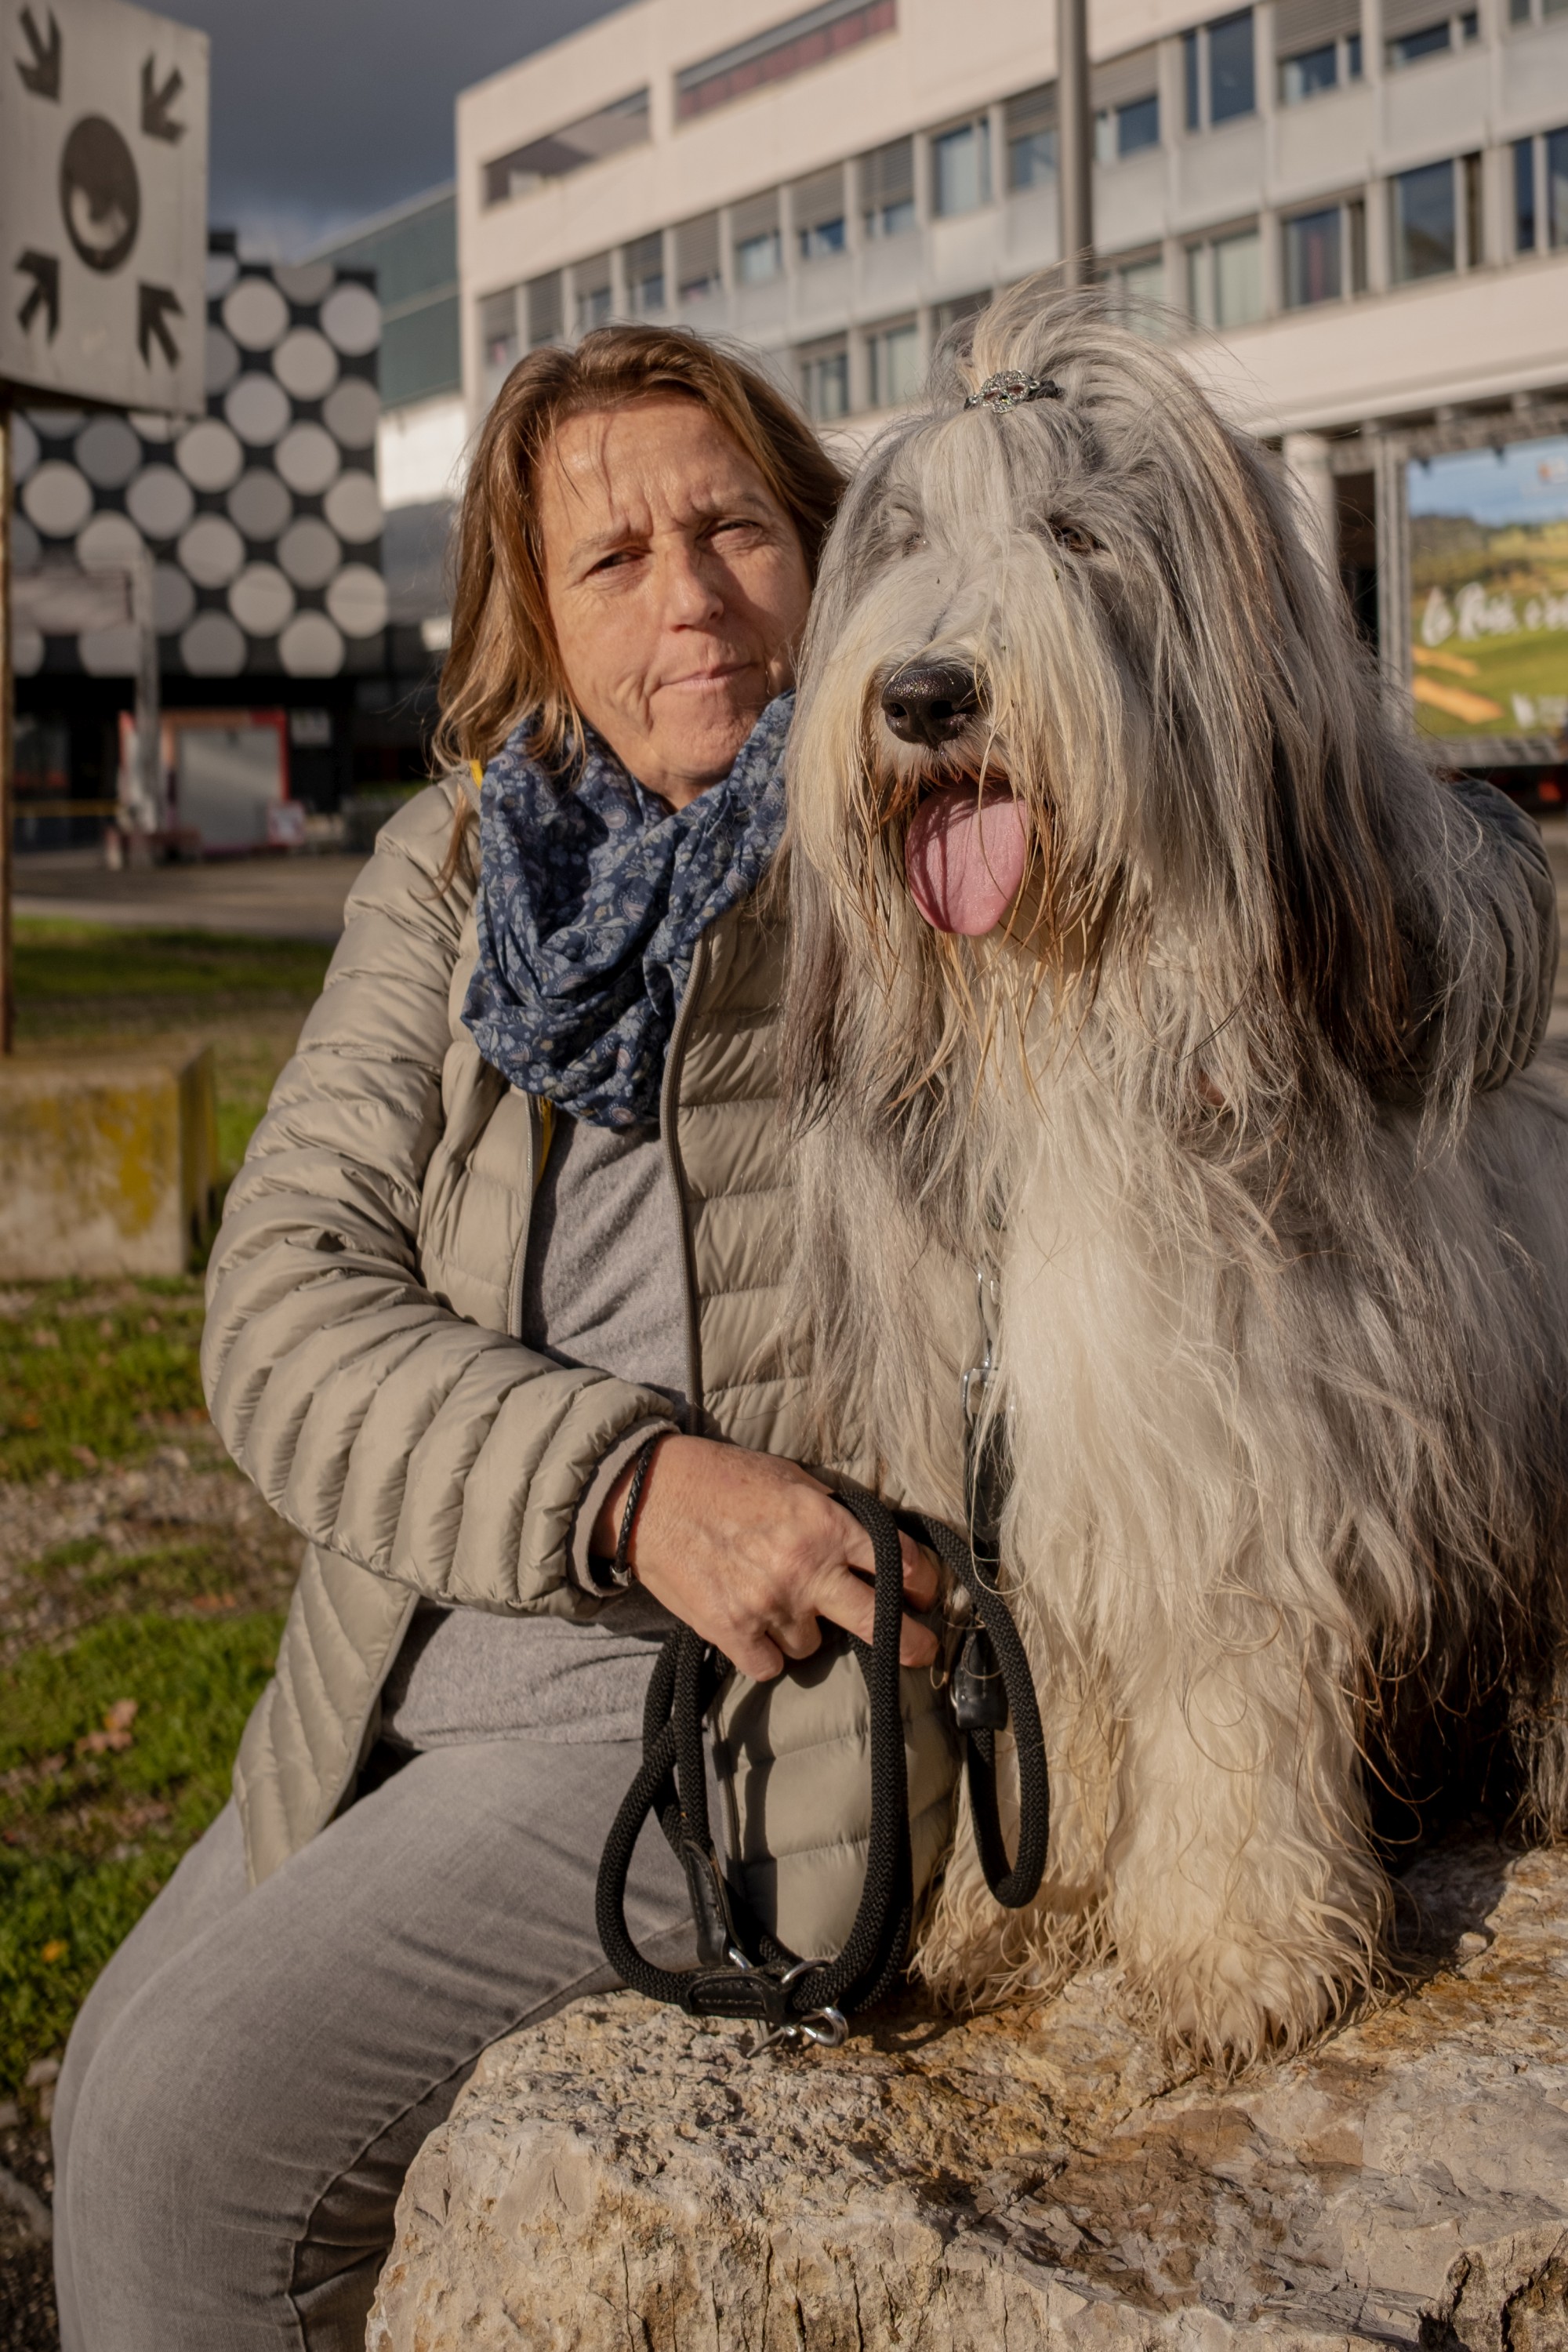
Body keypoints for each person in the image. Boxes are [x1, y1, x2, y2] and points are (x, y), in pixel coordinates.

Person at [49, 321, 1558, 2352]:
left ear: (831, 549)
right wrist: (626, 1486)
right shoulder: (457, 871)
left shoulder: (895, 875)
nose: (687, 599)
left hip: (677, 1704)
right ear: (535, 621)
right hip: (408, 1645)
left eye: (734, 531)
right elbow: (282, 1303)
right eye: (612, 560)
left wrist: (1312, 890)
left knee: (170, 2151)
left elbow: (1387, 885)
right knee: (107, 2075)